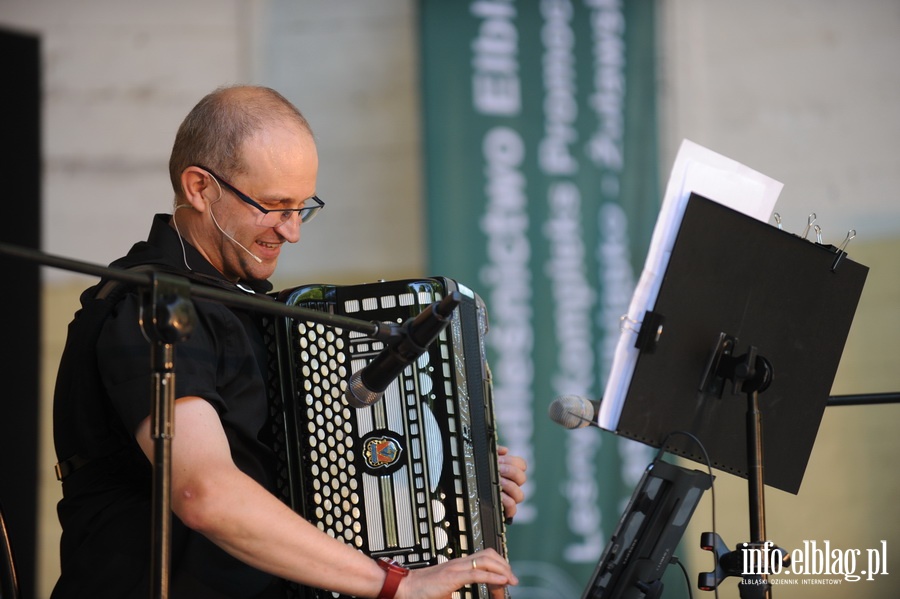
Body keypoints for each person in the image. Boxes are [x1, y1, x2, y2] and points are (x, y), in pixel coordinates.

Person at [51, 85, 527, 599]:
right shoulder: (151, 306)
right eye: (274, 206)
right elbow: (203, 492)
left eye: (303, 207)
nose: (293, 231)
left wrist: (458, 480)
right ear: (198, 187)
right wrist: (396, 585)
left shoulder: (249, 311)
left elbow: (308, 484)